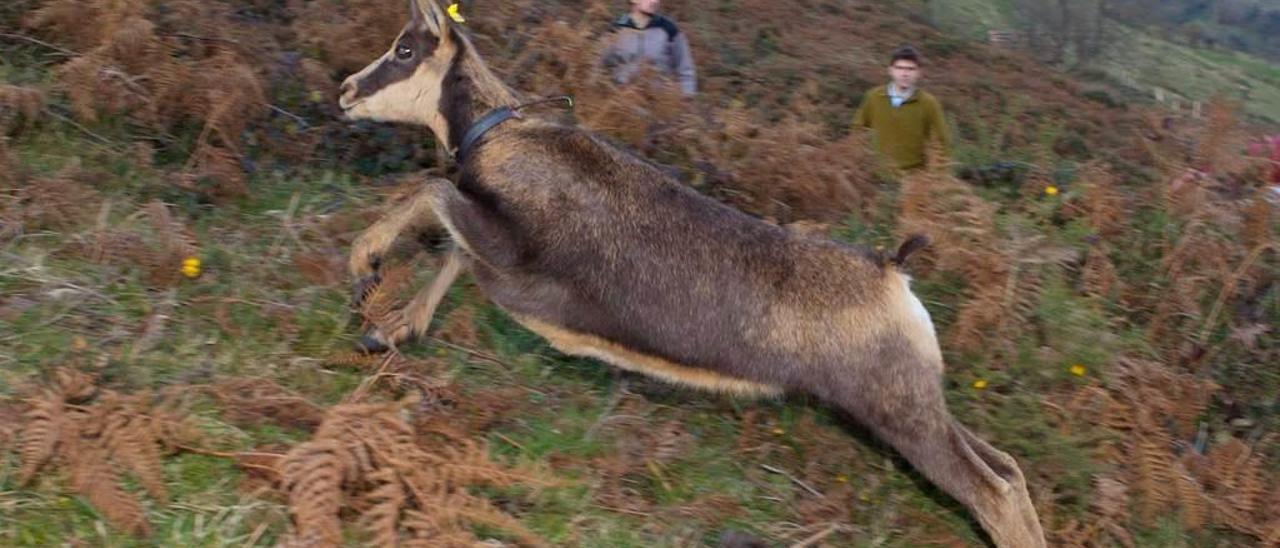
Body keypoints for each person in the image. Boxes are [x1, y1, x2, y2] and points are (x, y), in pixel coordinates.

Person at [853, 46, 951, 171]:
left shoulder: (928, 103)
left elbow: (941, 142)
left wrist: (936, 176)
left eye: (910, 69)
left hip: (914, 180)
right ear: (890, 70)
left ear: (919, 72)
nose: (905, 74)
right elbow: (857, 129)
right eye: (899, 68)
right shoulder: (873, 97)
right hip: (874, 175)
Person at [601, 0, 698, 97]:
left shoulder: (669, 30)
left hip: (658, 104)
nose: (654, 1)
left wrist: (686, 98)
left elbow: (686, 69)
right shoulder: (616, 29)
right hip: (621, 104)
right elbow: (599, 67)